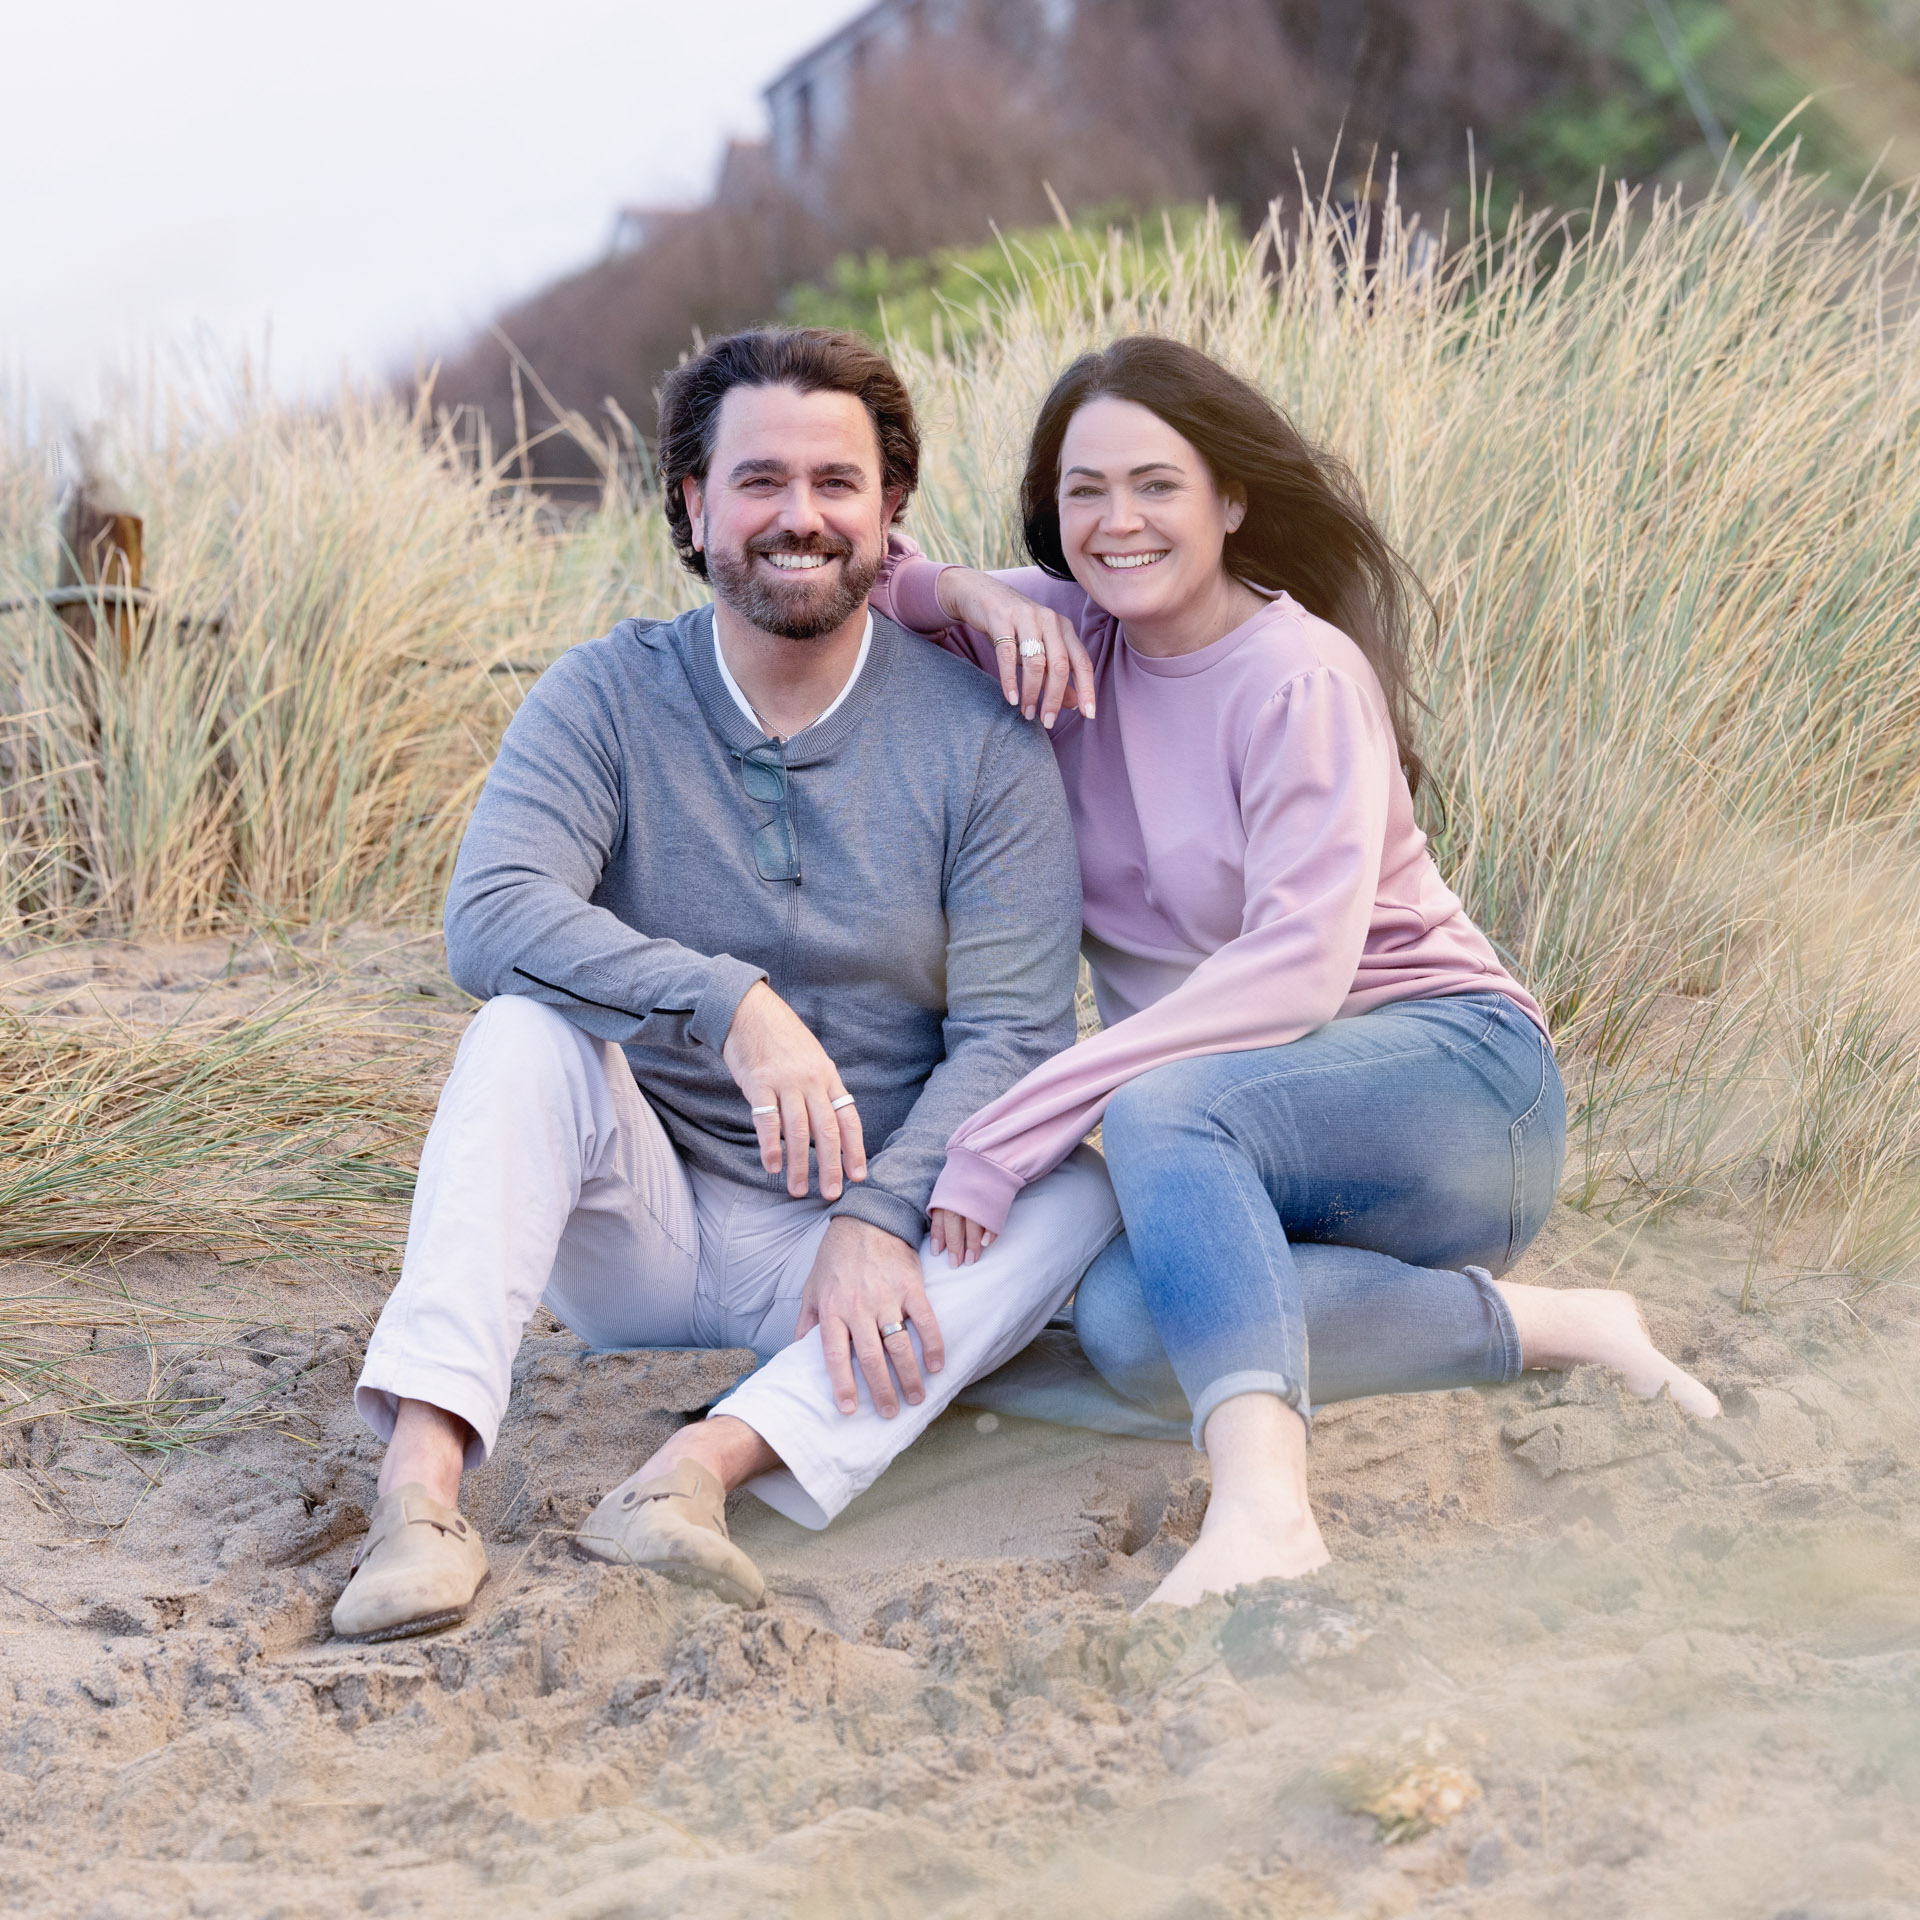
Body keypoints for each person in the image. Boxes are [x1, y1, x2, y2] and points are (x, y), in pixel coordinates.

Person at [873, 334, 1721, 1610]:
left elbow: (1295, 979)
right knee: (1124, 1324)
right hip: (1249, 1142)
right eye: (1084, 490)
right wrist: (965, 595)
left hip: (1455, 1087)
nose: (1118, 521)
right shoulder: (1063, 638)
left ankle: (1267, 1512)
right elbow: (853, 569)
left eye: (1157, 485)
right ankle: (1559, 1325)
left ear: (1231, 500)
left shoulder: (1300, 673)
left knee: (1165, 1105)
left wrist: (1022, 1121)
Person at [333, 327, 1118, 1642]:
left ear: (890, 516)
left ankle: (693, 1475)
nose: (798, 516)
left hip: (850, 1262)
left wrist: (880, 1210)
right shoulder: (606, 696)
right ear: (693, 508)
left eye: (836, 483)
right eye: (758, 482)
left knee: (1080, 1180)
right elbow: (491, 917)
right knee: (524, 1032)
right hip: (641, 1220)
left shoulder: (984, 746)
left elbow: (1016, 1032)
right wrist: (730, 1003)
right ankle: (418, 1493)